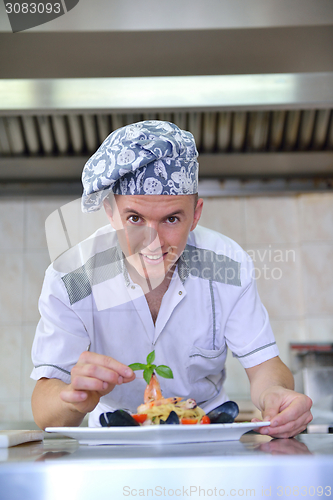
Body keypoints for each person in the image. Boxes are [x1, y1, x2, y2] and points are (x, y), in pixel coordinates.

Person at [31, 120, 312, 437]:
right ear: (110, 212)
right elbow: (44, 407)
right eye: (135, 218)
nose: (153, 242)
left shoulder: (226, 266)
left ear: (195, 215)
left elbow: (264, 366)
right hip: (112, 446)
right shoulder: (74, 277)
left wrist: (274, 394)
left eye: (171, 219)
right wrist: (73, 399)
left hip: (206, 439)